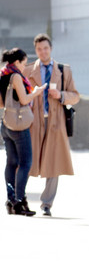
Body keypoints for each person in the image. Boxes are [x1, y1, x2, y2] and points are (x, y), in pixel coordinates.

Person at [23, 34, 80, 217]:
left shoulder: (64, 70)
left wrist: (61, 95)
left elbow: (75, 96)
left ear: (51, 48)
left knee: (53, 162)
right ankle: (19, 197)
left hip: (56, 123)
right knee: (27, 160)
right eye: (39, 49)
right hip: (34, 122)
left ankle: (46, 203)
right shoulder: (28, 70)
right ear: (36, 50)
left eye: (45, 48)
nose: (43, 51)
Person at [2, 49, 46, 216]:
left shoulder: (3, 74)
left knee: (11, 163)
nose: (24, 66)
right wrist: (35, 92)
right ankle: (20, 201)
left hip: (6, 123)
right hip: (19, 126)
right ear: (18, 62)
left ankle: (11, 201)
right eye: (24, 62)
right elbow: (24, 99)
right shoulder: (16, 77)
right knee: (25, 162)